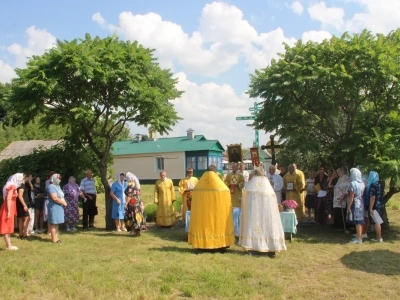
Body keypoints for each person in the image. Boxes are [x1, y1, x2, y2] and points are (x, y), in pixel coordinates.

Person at [239, 167, 286, 257]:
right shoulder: (268, 188)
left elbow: (245, 197)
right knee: (268, 227)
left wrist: (242, 200)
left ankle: (253, 247)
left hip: (254, 215)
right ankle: (271, 248)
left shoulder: (251, 187)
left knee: (253, 226)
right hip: (266, 215)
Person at [188, 170, 235, 252]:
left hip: (203, 215)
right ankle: (220, 244)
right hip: (217, 213)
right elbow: (227, 194)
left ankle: (202, 245)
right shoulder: (221, 187)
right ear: (215, 171)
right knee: (218, 227)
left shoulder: (199, 185)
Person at [0, 173, 24, 250]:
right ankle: (9, 245)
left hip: (8, 207)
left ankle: (9, 244)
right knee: (6, 226)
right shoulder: (12, 187)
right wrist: (9, 211)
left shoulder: (11, 186)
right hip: (8, 207)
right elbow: (9, 199)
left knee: (8, 226)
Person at [48, 173, 68, 243]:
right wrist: (63, 203)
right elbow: (54, 198)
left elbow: (61, 196)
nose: (59, 180)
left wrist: (64, 202)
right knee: (53, 223)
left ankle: (56, 238)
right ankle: (54, 239)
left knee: (57, 223)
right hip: (54, 206)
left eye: (60, 178)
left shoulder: (58, 187)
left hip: (59, 206)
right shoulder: (51, 186)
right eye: (58, 178)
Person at [348, 168, 365, 244]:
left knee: (357, 221)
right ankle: (359, 236)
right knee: (360, 221)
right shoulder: (362, 183)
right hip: (361, 202)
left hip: (355, 203)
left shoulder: (353, 183)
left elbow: (351, 196)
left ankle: (359, 239)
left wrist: (349, 206)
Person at [367, 171, 384, 242]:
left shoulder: (373, 185)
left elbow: (372, 197)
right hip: (380, 204)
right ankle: (378, 236)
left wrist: (370, 207)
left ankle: (379, 237)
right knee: (377, 221)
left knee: (376, 221)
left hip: (375, 205)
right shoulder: (380, 184)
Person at [16, 174, 32, 240]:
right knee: (27, 218)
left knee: (21, 219)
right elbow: (20, 196)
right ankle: (24, 234)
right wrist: (24, 205)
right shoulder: (22, 185)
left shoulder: (23, 184)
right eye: (30, 177)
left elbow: (31, 188)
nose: (31, 178)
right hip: (22, 204)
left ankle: (21, 234)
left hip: (21, 204)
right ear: (27, 177)